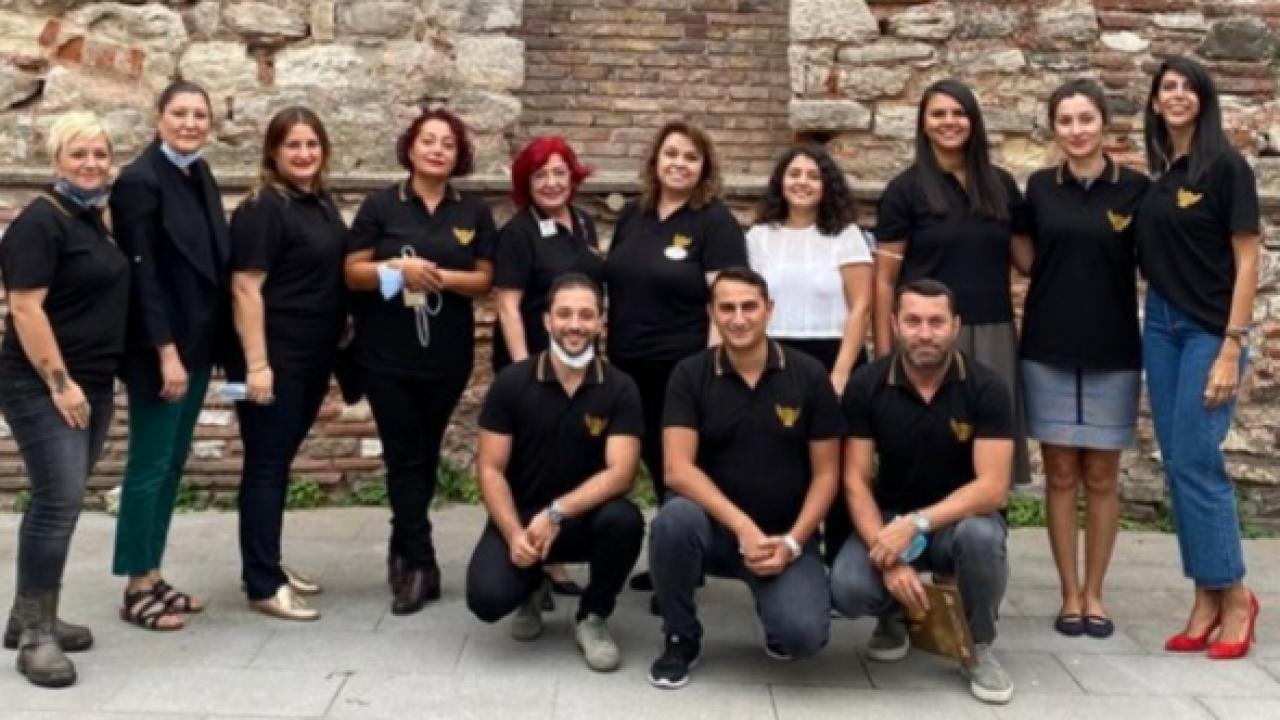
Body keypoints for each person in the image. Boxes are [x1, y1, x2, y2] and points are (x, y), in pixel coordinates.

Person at [647, 267, 844, 689]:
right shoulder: (689, 374)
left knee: (802, 638)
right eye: (727, 308)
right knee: (673, 520)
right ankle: (680, 636)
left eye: (749, 307)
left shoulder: (809, 375)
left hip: (783, 535)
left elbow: (828, 474)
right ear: (712, 313)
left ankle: (774, 604)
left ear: (769, 309)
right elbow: (677, 469)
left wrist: (792, 543)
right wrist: (742, 527)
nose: (738, 318)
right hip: (712, 533)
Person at [830, 279, 1015, 704]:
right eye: (913, 321)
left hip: (956, 523)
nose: (925, 333)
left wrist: (916, 524)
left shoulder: (987, 387)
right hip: (889, 517)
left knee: (982, 537)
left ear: (956, 326)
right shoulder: (867, 384)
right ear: (895, 324)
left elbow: (993, 488)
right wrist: (888, 555)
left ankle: (978, 646)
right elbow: (854, 479)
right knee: (849, 588)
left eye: (936, 322)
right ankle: (893, 615)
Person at [344, 107, 496, 615]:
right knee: (402, 453)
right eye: (428, 140)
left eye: (447, 144)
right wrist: (395, 269)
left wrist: (439, 278)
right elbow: (352, 272)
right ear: (410, 148)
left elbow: (485, 279)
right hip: (385, 354)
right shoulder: (381, 205)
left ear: (459, 155)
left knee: (425, 455)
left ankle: (403, 542)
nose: (437, 150)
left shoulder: (472, 212)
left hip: (447, 356)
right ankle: (421, 563)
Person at [1136, 56, 1261, 659]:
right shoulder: (1162, 178)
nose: (1178, 95)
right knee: (1178, 462)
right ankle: (1206, 596)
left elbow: (1248, 258)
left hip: (1209, 331)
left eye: (1189, 87)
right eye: (1168, 87)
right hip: (1160, 327)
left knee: (1197, 460)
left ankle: (1235, 595)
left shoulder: (1227, 167)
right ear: (1155, 103)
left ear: (1204, 100)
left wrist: (1232, 345)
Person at [1015, 79, 1149, 639]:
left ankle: (1096, 593)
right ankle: (1068, 593)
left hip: (1113, 349)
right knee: (1061, 473)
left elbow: (1152, 259)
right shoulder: (1039, 187)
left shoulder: (1135, 189)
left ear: (1104, 123)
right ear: (1054, 128)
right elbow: (1025, 257)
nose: (1076, 130)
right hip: (1047, 346)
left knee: (1101, 474)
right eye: (1065, 121)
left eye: (1085, 119)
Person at [0, 112, 127, 687]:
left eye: (100, 154)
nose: (91, 164)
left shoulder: (90, 219)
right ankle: (36, 639)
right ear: (56, 159)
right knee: (58, 501)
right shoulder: (40, 222)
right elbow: (26, 308)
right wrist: (60, 382)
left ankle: (27, 615)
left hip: (92, 380)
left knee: (61, 499)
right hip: (43, 384)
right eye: (79, 154)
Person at [466, 274, 645, 672]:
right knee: (487, 600)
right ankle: (532, 586)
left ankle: (592, 615)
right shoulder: (512, 382)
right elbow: (491, 469)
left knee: (625, 520)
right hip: (524, 519)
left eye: (586, 315)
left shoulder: (620, 387)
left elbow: (622, 473)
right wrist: (514, 533)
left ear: (600, 322)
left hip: (587, 519)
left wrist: (557, 512)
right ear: (547, 320)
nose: (574, 325)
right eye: (564, 314)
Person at [604, 120, 747, 592]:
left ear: (704, 167)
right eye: (671, 154)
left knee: (679, 469)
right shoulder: (634, 216)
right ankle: (675, 556)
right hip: (627, 367)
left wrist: (711, 368)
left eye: (690, 157)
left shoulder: (714, 222)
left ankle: (679, 570)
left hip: (682, 369)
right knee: (648, 460)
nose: (679, 164)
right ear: (655, 161)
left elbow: (727, 301)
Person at [111, 81, 229, 630]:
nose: (190, 123)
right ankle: (136, 586)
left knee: (172, 463)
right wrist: (166, 353)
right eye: (179, 113)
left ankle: (153, 572)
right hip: (161, 352)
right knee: (149, 465)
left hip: (196, 346)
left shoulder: (197, 173)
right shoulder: (139, 181)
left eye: (199, 115)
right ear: (159, 118)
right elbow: (143, 276)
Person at [871, 78, 1030, 486]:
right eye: (938, 114)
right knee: (929, 445)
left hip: (993, 331)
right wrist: (886, 354)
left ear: (973, 121)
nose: (949, 121)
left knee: (990, 447)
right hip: (928, 333)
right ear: (924, 124)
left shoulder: (1001, 185)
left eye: (959, 113)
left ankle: (986, 523)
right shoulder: (904, 190)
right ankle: (921, 522)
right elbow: (884, 280)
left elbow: (1029, 261)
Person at [228, 107, 348, 621]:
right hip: (274, 360)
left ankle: (266, 562)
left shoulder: (319, 202)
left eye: (311, 144)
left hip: (312, 357)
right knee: (266, 465)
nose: (303, 154)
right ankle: (262, 582)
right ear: (273, 152)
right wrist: (258, 366)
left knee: (277, 462)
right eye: (292, 145)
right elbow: (245, 287)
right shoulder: (263, 208)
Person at [746, 143, 873, 566]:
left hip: (834, 356)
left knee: (836, 461)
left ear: (827, 186)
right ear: (780, 182)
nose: (803, 182)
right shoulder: (759, 237)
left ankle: (840, 562)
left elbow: (861, 307)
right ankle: (786, 552)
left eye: (813, 176)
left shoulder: (846, 236)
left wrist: (839, 375)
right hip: (776, 357)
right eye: (794, 174)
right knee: (783, 459)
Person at [492, 135, 602, 598]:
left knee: (568, 457)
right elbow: (507, 305)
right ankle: (526, 553)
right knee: (529, 463)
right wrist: (524, 373)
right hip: (535, 362)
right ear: (526, 183)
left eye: (560, 173)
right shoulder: (518, 233)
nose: (552, 183)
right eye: (541, 175)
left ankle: (555, 553)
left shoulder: (584, 223)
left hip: (579, 361)